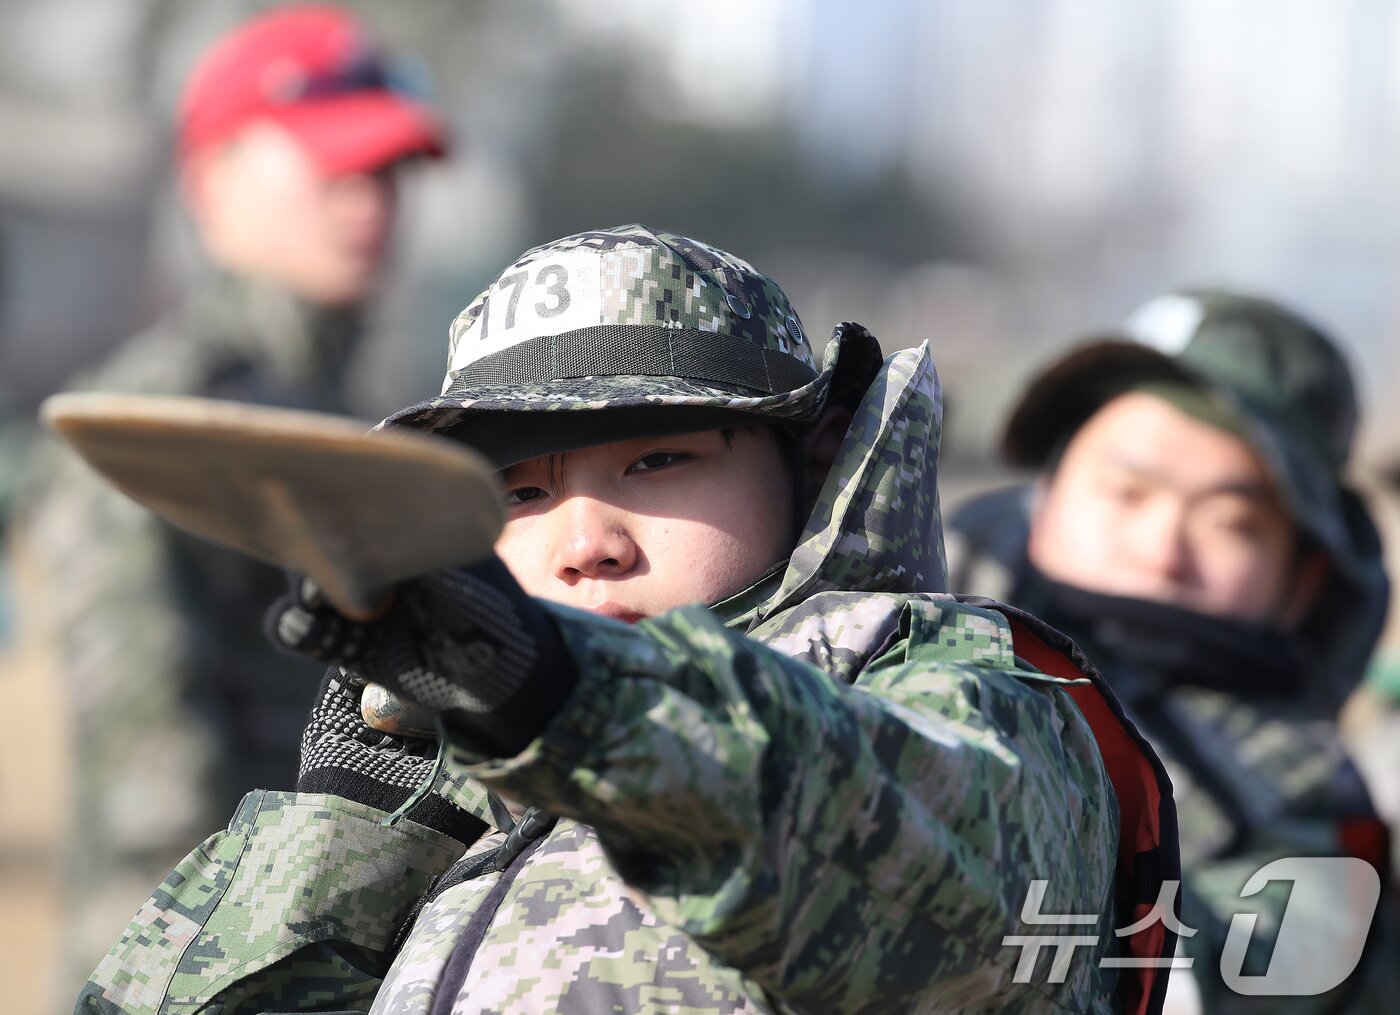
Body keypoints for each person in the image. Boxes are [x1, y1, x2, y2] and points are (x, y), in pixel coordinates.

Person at [78, 225, 1178, 1013]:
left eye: (658, 459)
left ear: (809, 463)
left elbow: (940, 903)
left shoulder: (946, 686)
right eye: (518, 491)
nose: (585, 537)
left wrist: (568, 698)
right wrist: (351, 827)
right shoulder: (470, 768)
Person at [16, 3, 446, 980]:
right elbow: (149, 789)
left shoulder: (350, 416)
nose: (369, 200)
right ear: (209, 184)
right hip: (202, 959)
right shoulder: (157, 425)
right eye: (335, 165)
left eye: (387, 172)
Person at [947, 288, 1395, 1012]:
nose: (1162, 550)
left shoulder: (1313, 809)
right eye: (1126, 493)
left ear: (1305, 575)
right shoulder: (881, 628)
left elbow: (1242, 964)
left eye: (1230, 521)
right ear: (1047, 496)